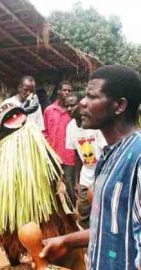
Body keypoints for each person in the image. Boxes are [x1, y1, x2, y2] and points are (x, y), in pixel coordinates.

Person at [40, 65, 141, 269]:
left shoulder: (138, 158)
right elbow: (110, 228)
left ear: (119, 106)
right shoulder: (107, 156)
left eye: (92, 97)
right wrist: (67, 242)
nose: (82, 103)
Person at [64, 93, 106, 229]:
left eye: (73, 105)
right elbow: (76, 155)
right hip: (85, 176)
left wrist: (100, 180)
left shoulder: (95, 123)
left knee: (101, 211)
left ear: (82, 105)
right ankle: (86, 246)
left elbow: (106, 153)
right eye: (67, 106)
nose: (70, 108)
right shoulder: (70, 127)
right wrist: (77, 181)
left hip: (102, 174)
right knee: (83, 212)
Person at [43, 81, 76, 203]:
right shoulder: (49, 110)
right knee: (52, 186)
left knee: (69, 188)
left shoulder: (72, 111)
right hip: (53, 155)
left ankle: (71, 215)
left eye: (69, 91)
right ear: (58, 91)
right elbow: (45, 131)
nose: (66, 92)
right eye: (64, 90)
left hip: (69, 156)